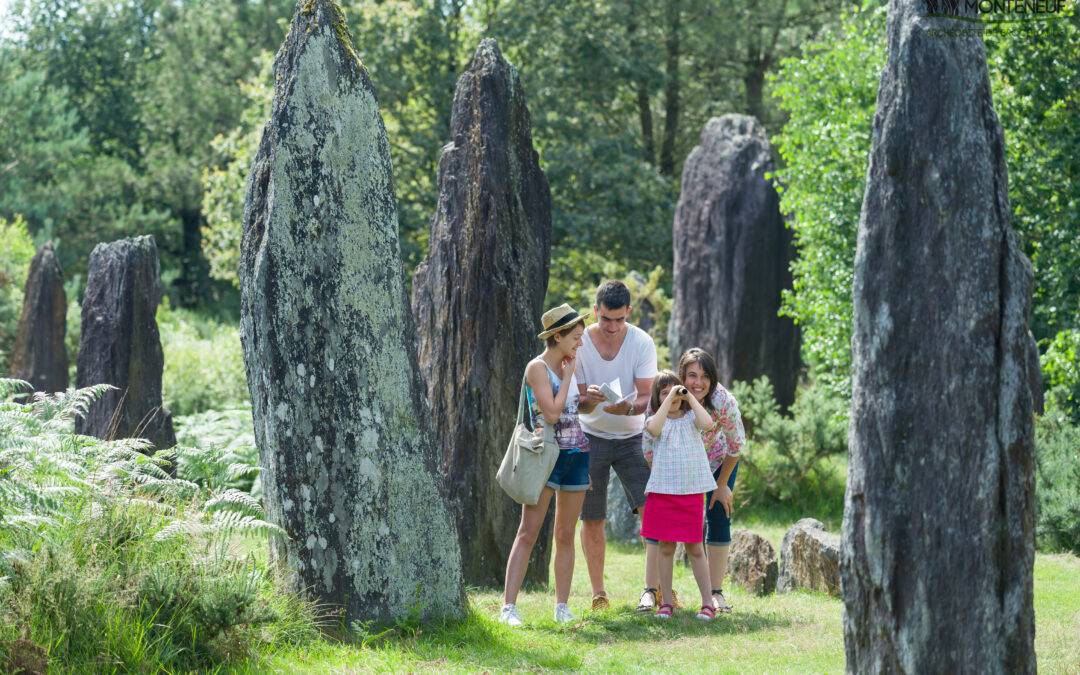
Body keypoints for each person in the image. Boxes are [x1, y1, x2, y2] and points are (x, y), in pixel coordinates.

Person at [500, 303, 597, 627]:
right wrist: (569, 376)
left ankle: (562, 606)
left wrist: (590, 398)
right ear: (557, 336)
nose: (580, 343)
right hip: (546, 456)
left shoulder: (572, 365)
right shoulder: (537, 368)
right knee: (528, 532)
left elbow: (571, 410)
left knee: (566, 533)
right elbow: (552, 414)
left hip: (577, 454)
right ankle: (508, 608)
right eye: (576, 337)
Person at [638, 348, 746, 613]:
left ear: (713, 379)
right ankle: (651, 590)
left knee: (718, 515)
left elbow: (736, 443)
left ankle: (714, 594)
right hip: (674, 471)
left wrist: (721, 485)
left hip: (718, 460)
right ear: (681, 377)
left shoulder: (722, 401)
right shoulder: (665, 401)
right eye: (691, 376)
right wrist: (663, 478)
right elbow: (650, 447)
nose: (698, 383)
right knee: (661, 531)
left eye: (705, 376)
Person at [573, 280, 657, 611]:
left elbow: (647, 396)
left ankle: (655, 588)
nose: (612, 327)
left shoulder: (641, 342)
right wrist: (587, 401)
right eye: (606, 319)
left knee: (651, 509)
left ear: (629, 314)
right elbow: (575, 403)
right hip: (589, 435)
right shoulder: (580, 344)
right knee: (592, 517)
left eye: (619, 320)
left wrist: (630, 407)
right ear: (595, 311)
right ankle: (599, 593)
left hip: (632, 435)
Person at [639, 370, 719, 620]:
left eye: (676, 390)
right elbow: (653, 430)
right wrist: (666, 401)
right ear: (657, 398)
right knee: (665, 547)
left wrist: (688, 397)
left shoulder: (691, 419)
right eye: (665, 392)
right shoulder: (655, 420)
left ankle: (708, 602)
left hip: (690, 493)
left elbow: (708, 424)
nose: (672, 395)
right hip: (663, 493)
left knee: (695, 548)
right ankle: (665, 604)